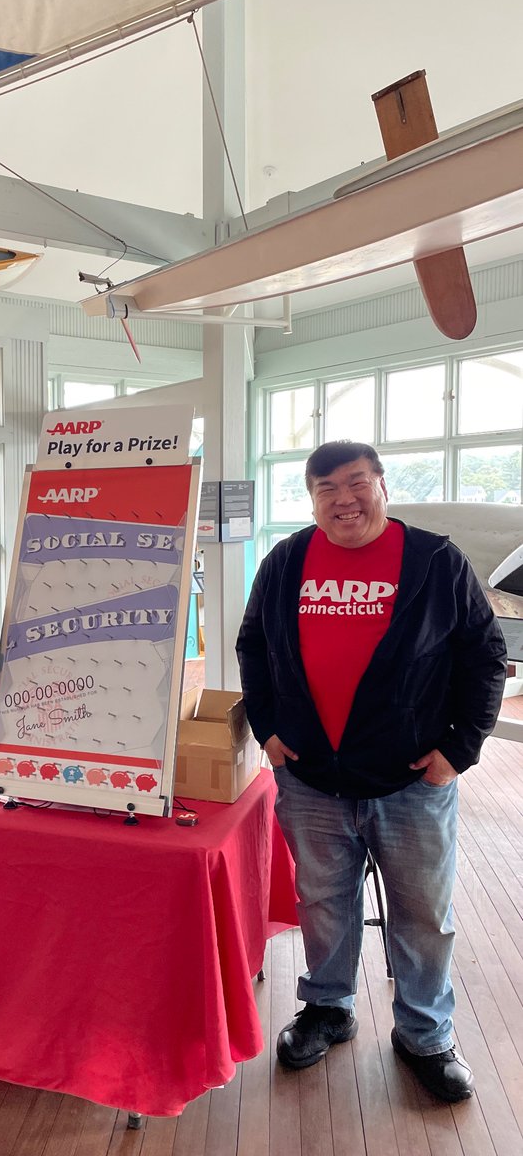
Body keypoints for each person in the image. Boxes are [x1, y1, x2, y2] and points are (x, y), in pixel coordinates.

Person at [236, 440, 506, 1103]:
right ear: (312, 499)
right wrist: (268, 730)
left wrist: (459, 750)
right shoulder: (288, 559)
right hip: (311, 781)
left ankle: (424, 1033)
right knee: (324, 906)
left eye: (357, 482)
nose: (344, 498)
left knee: (421, 914)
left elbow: (485, 652)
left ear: (382, 484)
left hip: (412, 781)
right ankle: (327, 1008)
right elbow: (253, 642)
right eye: (326, 488)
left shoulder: (434, 561)